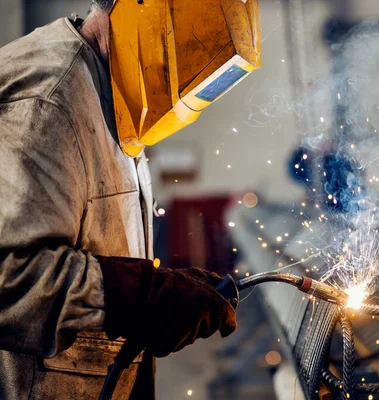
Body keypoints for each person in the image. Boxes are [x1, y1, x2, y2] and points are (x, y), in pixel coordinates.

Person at [0, 0, 260, 398]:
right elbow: (12, 278)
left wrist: (160, 288)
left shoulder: (113, 93)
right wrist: (140, 296)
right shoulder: (47, 99)